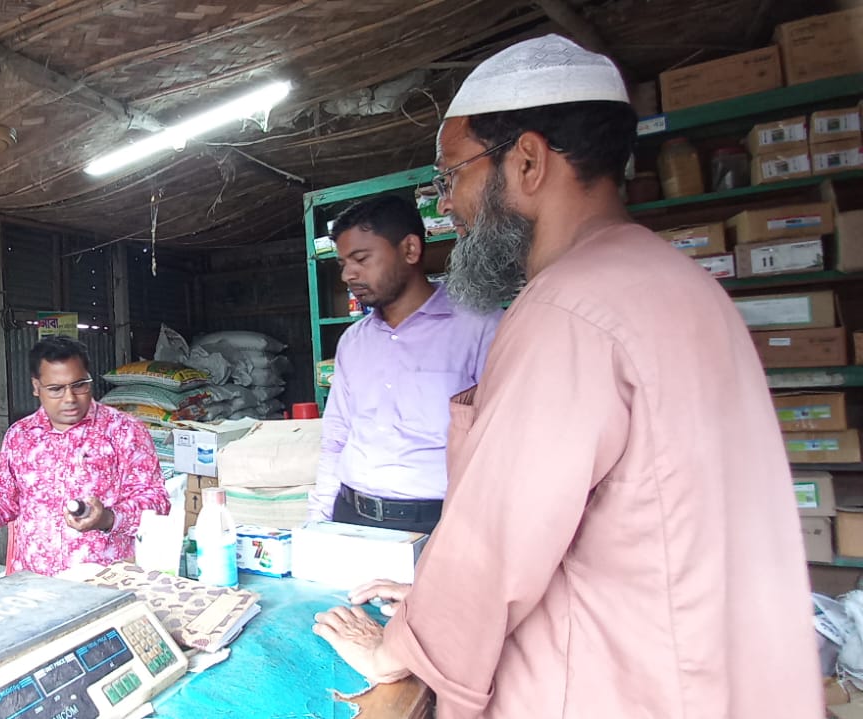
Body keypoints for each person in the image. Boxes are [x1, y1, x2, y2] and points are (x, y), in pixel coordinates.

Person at [312, 35, 819, 718]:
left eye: (451, 177)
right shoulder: (679, 282)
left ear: (527, 161)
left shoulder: (566, 311)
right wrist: (433, 601)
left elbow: (499, 539)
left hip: (615, 682)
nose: (448, 207)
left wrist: (396, 648)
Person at [307, 195, 500, 534]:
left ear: (410, 249)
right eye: (342, 264)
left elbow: (502, 442)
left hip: (437, 523)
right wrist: (319, 520)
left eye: (361, 259)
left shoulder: (479, 328)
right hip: (351, 514)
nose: (348, 275)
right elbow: (336, 437)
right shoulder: (353, 342)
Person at [0, 336, 170, 575]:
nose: (70, 398)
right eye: (55, 389)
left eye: (79, 385)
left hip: (106, 580)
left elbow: (157, 503)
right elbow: (2, 500)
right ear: (36, 387)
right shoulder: (21, 435)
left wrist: (108, 518)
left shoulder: (124, 430)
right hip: (35, 582)